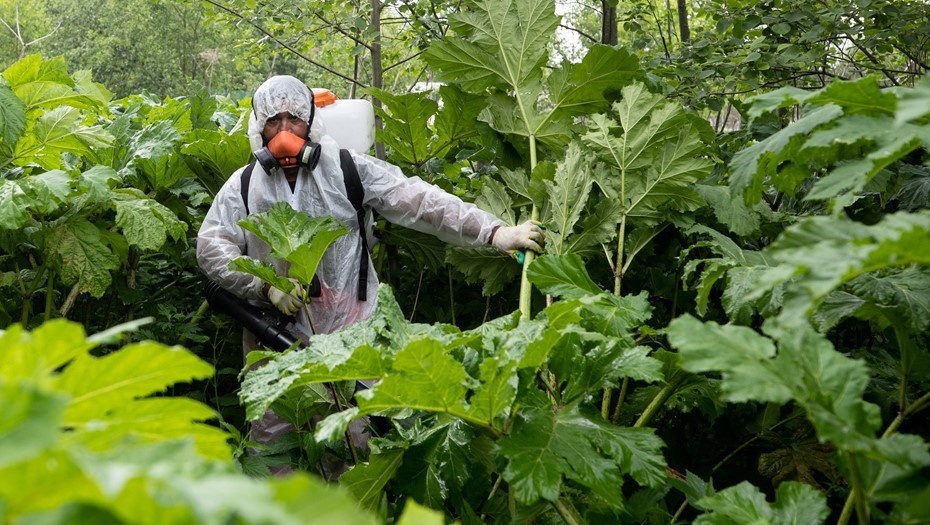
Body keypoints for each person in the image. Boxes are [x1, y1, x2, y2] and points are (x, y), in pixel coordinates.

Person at [196, 75, 544, 476]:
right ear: (258, 127)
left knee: (352, 450)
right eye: (274, 120)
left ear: (312, 121)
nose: (286, 132)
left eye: (295, 119)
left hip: (351, 339)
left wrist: (496, 232)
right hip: (274, 340)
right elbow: (211, 246)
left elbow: (420, 201)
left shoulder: (346, 169)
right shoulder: (243, 187)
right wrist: (263, 286)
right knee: (273, 451)